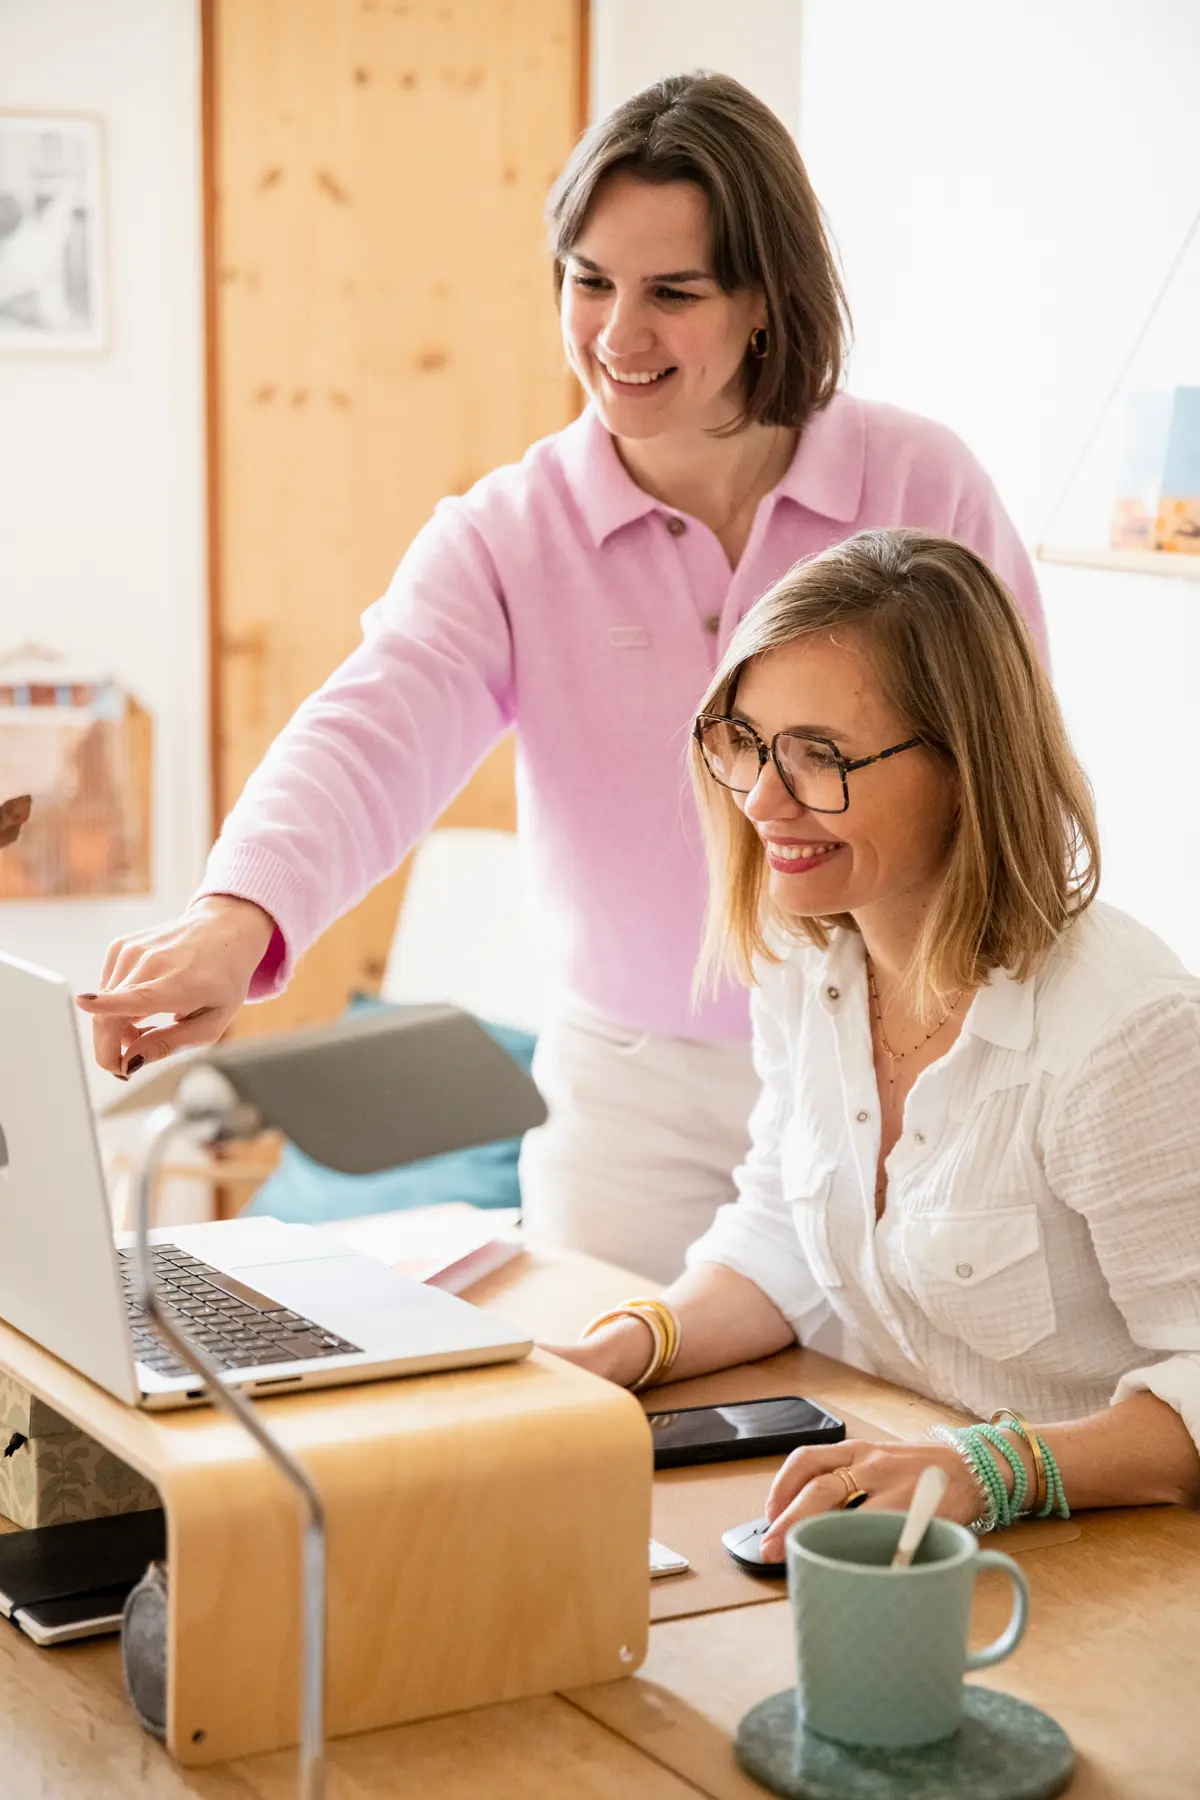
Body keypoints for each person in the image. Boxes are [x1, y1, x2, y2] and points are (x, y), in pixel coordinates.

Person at [78, 74, 1047, 1284]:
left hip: (906, 1053)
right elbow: (373, 726)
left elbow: (1015, 772)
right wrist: (238, 917)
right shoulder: (509, 531)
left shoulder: (921, 486)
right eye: (588, 282)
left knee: (884, 1437)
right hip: (630, 1095)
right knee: (610, 1441)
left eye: (671, 294)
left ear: (763, 302)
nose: (617, 335)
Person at [551, 528, 1200, 1547]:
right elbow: (781, 1232)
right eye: (748, 744)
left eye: (822, 757)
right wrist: (632, 1344)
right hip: (898, 1510)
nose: (764, 801)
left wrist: (984, 1471)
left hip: (1111, 1553)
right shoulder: (809, 956)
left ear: (964, 767)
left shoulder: (1127, 1033)